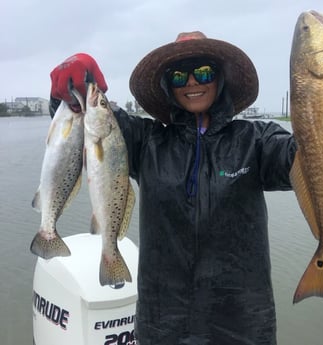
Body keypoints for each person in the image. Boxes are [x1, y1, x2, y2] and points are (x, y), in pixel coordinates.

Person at [49, 31, 297, 345]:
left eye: (204, 72)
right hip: (163, 326)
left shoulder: (256, 141)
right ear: (169, 86)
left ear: (220, 79)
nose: (192, 83)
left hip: (243, 326)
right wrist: (70, 88)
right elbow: (85, 122)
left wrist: (317, 112)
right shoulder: (146, 141)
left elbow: (302, 162)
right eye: (180, 76)